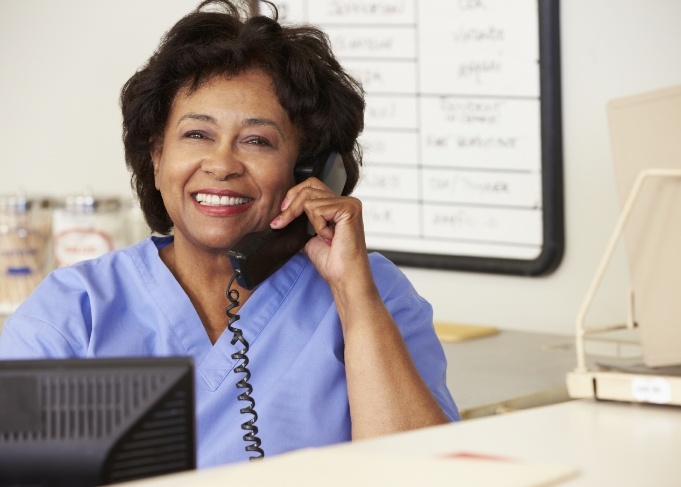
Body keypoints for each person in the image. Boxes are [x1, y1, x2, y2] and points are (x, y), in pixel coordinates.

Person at [0, 0, 459, 468]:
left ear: (309, 171)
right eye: (196, 134)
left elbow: (428, 475)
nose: (221, 165)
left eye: (257, 140)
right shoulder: (74, 313)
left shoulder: (373, 292)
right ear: (156, 157)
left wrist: (354, 300)